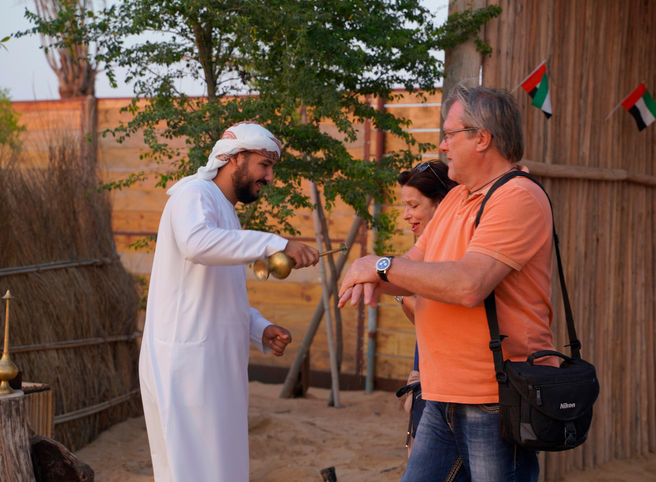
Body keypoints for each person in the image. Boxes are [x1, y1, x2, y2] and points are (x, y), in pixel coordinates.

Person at [339, 85, 556, 481]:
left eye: (449, 134)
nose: (441, 145)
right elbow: (414, 267)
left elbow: (468, 285)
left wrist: (381, 265)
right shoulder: (457, 198)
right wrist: (371, 277)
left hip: (494, 398)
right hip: (442, 395)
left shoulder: (517, 197)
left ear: (481, 138)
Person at [139, 122, 319, 482]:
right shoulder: (194, 194)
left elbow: (221, 293)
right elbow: (197, 245)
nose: (268, 177)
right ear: (235, 158)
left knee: (222, 471)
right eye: (263, 165)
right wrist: (276, 243)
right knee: (190, 473)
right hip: (185, 365)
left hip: (212, 365)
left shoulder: (227, 214)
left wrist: (259, 329)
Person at [394, 160, 456, 457]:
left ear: (441, 204)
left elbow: (444, 316)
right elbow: (422, 321)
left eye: (414, 206)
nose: (407, 215)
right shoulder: (424, 250)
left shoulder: (455, 253)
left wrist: (401, 292)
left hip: (450, 381)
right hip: (427, 371)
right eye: (405, 206)